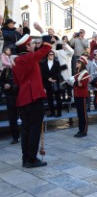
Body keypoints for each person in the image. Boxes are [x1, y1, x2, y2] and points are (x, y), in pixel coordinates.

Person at [12, 34, 52, 168]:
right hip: (33, 98)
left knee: (26, 130)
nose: (34, 45)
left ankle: (25, 159)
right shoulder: (29, 57)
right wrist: (44, 33)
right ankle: (31, 159)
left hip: (22, 99)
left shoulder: (16, 61)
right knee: (34, 130)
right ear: (27, 46)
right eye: (32, 44)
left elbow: (17, 82)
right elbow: (46, 48)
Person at [70, 56, 90, 138]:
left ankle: (84, 130)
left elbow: (81, 84)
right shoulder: (77, 72)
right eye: (77, 62)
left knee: (83, 114)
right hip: (77, 95)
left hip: (82, 96)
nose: (76, 63)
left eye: (78, 62)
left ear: (82, 64)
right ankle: (80, 129)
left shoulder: (85, 73)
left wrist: (73, 82)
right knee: (79, 113)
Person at [0, 66, 20, 144]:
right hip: (10, 97)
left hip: (21, 96)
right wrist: (4, 85)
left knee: (25, 116)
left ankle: (27, 136)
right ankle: (15, 137)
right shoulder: (6, 70)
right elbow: (1, 81)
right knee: (12, 118)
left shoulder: (21, 69)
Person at [40, 50, 62, 117]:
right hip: (47, 82)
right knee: (50, 98)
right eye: (50, 54)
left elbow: (59, 72)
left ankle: (59, 113)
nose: (51, 55)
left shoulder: (57, 63)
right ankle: (52, 112)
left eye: (52, 54)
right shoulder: (43, 63)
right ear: (47, 55)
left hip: (55, 82)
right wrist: (48, 78)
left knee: (58, 98)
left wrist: (53, 78)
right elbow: (42, 73)